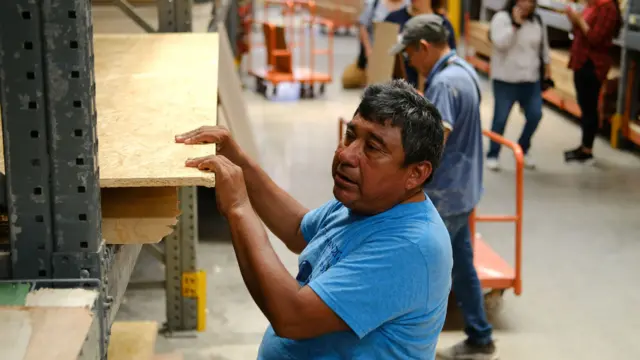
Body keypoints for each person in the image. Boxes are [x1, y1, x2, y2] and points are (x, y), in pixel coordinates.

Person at [174, 80, 453, 359]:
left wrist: (238, 207)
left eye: (373, 148)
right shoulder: (366, 204)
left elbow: (291, 317)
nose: (346, 154)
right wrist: (237, 160)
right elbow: (298, 228)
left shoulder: (412, 247)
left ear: (416, 174)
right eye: (350, 136)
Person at [389, 14, 498, 360]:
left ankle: (404, 348)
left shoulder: (444, 84)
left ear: (423, 47)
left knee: (413, 268)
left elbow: (435, 143)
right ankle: (481, 337)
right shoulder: (465, 71)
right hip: (464, 191)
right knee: (462, 265)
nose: (408, 61)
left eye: (408, 54)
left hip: (445, 196)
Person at [486, 0, 551, 171]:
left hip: (531, 79)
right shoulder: (501, 18)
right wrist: (515, 25)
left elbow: (543, 48)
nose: (527, 4)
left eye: (530, 1)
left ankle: (523, 148)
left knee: (535, 115)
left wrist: (547, 68)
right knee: (500, 119)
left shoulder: (537, 20)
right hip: (505, 80)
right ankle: (493, 154)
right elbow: (500, 43)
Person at [564, 0, 622, 164]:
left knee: (589, 106)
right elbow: (580, 33)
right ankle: (584, 146)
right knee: (584, 104)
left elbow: (595, 38)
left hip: (593, 64)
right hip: (582, 60)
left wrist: (579, 20)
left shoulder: (607, 8)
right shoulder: (594, 6)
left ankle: (587, 149)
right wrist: (574, 21)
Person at [385, 0, 457, 89]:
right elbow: (382, 61)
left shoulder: (443, 25)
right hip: (399, 92)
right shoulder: (393, 19)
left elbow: (449, 62)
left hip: (431, 90)